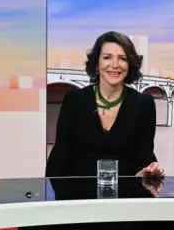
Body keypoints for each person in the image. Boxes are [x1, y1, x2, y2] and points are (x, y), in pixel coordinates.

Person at [46, 31, 164, 178]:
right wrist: (50, 195)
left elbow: (144, 157)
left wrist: (149, 171)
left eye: (122, 58)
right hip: (78, 194)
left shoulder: (144, 104)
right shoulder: (75, 100)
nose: (115, 65)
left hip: (124, 195)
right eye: (107, 57)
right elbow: (60, 155)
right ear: (96, 63)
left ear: (130, 64)